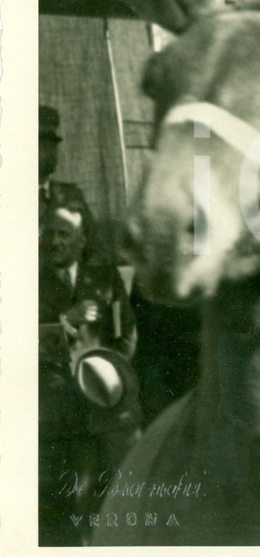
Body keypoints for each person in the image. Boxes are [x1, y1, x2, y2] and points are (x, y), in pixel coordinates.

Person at [39, 202, 140, 546]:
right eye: (48, 233)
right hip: (57, 411)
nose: (53, 241)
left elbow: (125, 330)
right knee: (72, 501)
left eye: (63, 234)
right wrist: (66, 320)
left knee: (120, 490)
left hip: (106, 406)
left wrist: (112, 374)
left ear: (82, 241)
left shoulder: (104, 276)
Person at [39, 105, 105, 263]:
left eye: (53, 144)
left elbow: (96, 250)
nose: (49, 151)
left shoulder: (71, 194)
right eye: (41, 144)